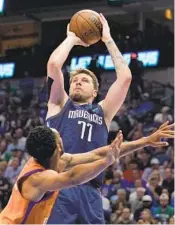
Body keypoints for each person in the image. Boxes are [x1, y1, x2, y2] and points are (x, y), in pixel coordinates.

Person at [46, 12, 174, 223]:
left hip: (92, 192)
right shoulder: (59, 105)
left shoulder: (102, 112)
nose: (77, 82)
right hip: (59, 188)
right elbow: (53, 66)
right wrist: (71, 38)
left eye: (84, 80)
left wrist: (107, 39)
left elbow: (125, 78)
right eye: (75, 80)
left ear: (95, 92)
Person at [0, 126, 124, 224]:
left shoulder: (46, 158)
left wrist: (143, 142)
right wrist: (106, 162)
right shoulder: (38, 178)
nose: (61, 135)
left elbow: (96, 155)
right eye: (58, 136)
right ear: (58, 148)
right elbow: (72, 178)